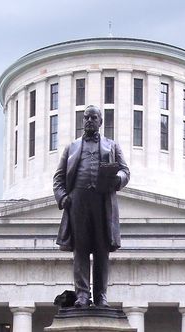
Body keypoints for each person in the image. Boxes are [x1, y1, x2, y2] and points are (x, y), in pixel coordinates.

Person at [53, 105, 130, 308]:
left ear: (100, 121)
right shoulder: (71, 148)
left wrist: (117, 179)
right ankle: (82, 295)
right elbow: (58, 178)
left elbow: (125, 171)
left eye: (93, 117)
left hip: (103, 203)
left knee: (101, 251)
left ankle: (101, 295)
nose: (89, 121)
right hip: (78, 204)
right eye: (86, 117)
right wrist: (62, 197)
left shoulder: (112, 146)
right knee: (80, 250)